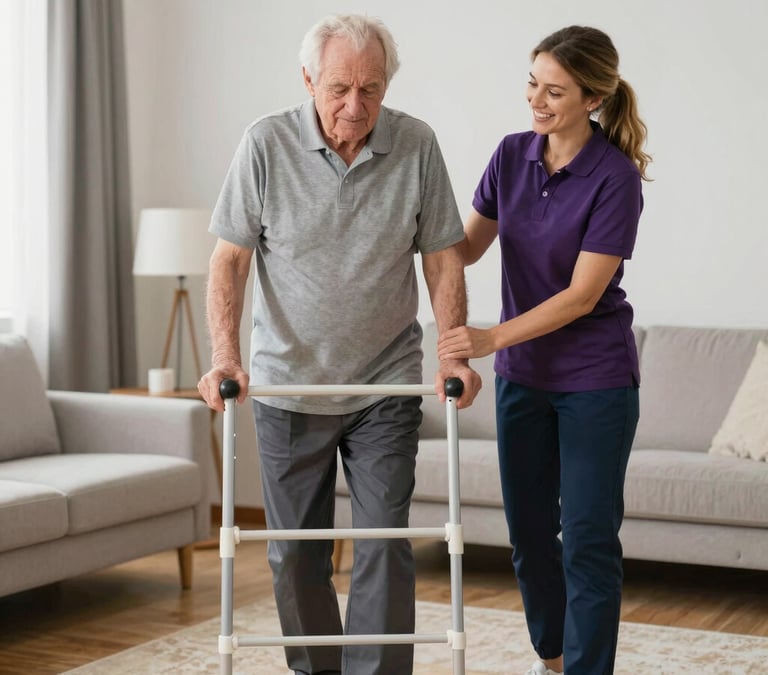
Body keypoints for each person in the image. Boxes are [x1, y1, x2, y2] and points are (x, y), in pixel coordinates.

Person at [197, 14, 480, 675]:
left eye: (372, 89)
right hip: (288, 383)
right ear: (308, 80)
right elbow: (228, 261)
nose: (356, 106)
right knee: (296, 552)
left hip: (386, 383)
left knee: (384, 539)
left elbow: (442, 259)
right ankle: (318, 669)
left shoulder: (416, 145)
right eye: (340, 88)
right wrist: (224, 355)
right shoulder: (264, 145)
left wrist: (453, 357)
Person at [437, 25, 651, 675]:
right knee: (530, 537)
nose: (536, 99)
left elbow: (584, 295)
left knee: (586, 539)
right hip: (522, 378)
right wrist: (405, 222)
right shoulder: (510, 156)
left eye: (554, 90)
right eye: (532, 82)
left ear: (592, 97)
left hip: (596, 379)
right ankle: (552, 658)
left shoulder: (615, 178)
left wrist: (489, 337)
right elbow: (465, 246)